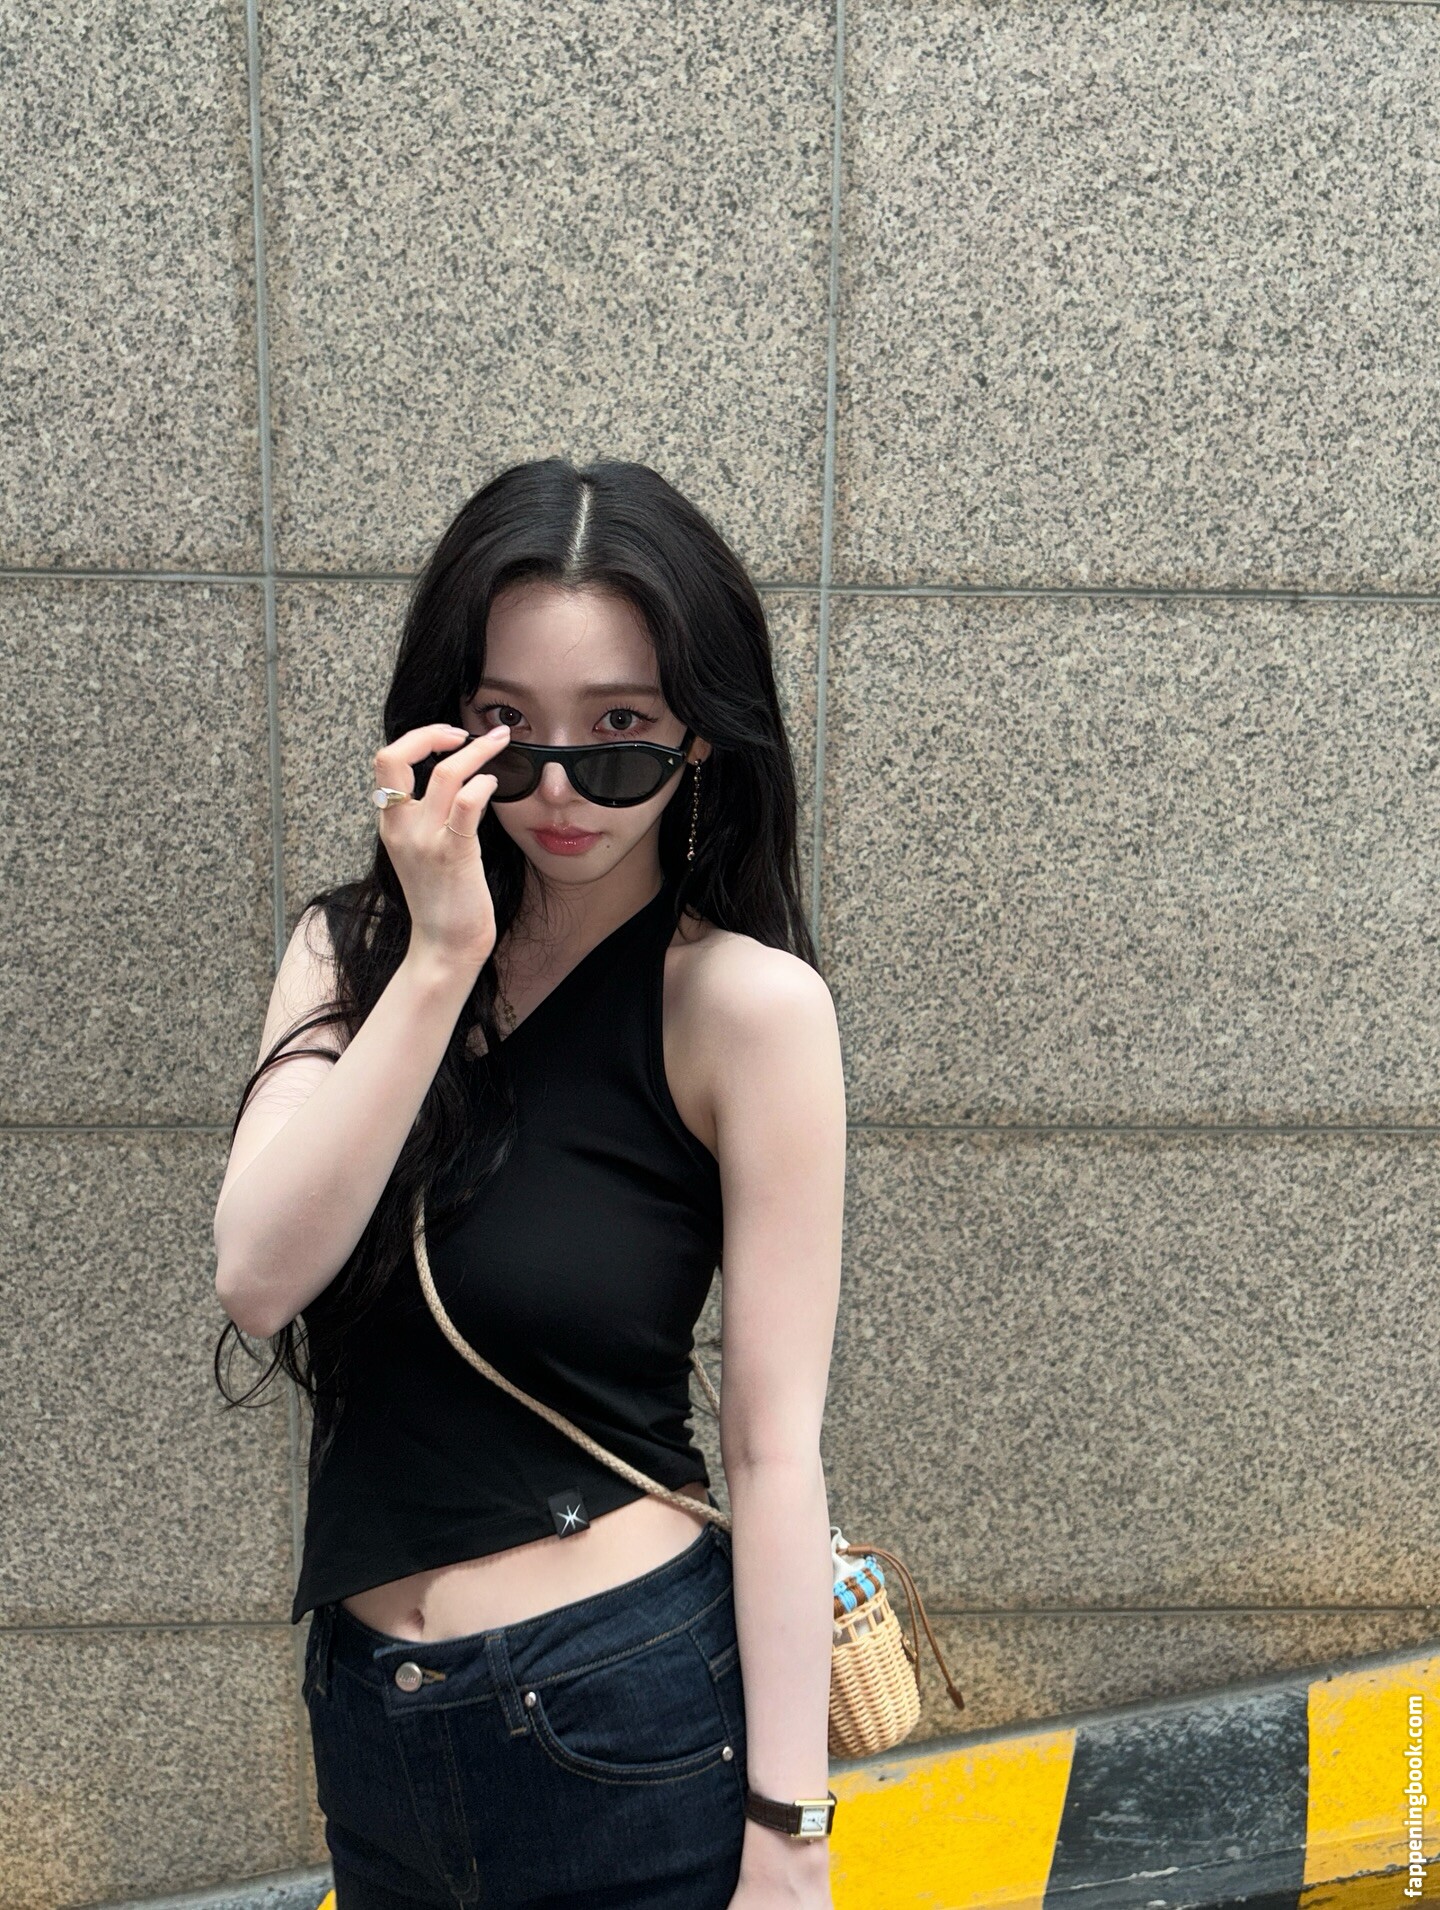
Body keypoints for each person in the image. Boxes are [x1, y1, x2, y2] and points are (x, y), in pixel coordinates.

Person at [212, 458, 846, 1909]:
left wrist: (790, 1831)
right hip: (371, 1711)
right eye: (510, 729)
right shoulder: (348, 957)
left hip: (624, 1705)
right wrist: (442, 956)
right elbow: (258, 1277)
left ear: (700, 735)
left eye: (620, 731)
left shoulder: (743, 1009)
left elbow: (773, 1446)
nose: (558, 788)